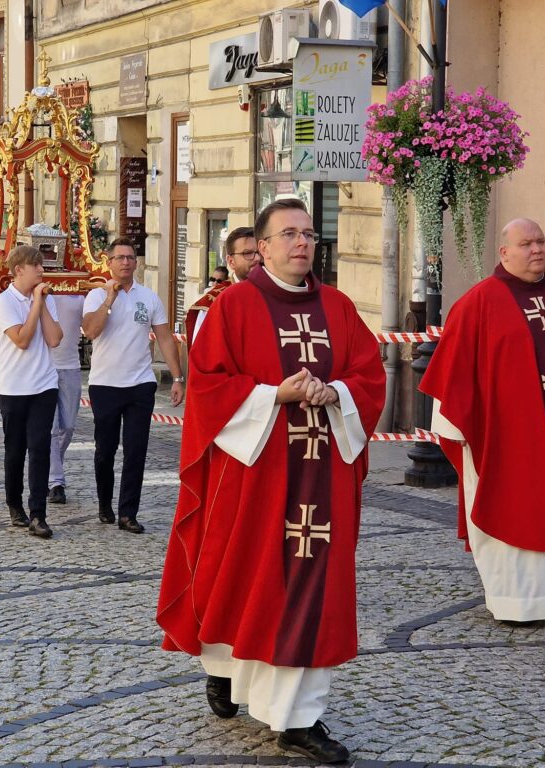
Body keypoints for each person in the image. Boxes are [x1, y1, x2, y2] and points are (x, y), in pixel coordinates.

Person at [156, 199, 384, 764]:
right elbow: (209, 385)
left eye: (309, 233)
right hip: (256, 476)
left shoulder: (338, 306)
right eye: (289, 234)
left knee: (311, 588)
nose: (303, 243)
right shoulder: (234, 306)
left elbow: (368, 372)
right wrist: (272, 395)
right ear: (262, 247)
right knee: (243, 577)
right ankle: (227, 669)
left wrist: (339, 393)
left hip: (322, 476)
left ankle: (298, 719)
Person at [420, 218, 545, 624]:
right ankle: (514, 600)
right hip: (502, 437)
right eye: (526, 243)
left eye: (541, 241)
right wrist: (454, 430)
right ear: (504, 252)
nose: (537, 249)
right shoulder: (478, 304)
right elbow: (453, 371)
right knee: (512, 507)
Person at [82, 237, 185, 534]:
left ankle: (128, 513)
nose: (126, 262)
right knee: (105, 450)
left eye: (130, 257)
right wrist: (109, 299)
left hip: (140, 384)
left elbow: (165, 338)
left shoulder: (149, 297)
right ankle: (104, 502)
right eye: (120, 257)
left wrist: (178, 378)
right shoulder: (96, 295)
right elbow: (90, 331)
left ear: (136, 262)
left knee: (136, 450)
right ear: (110, 262)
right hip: (105, 384)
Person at [0, 245, 62, 538]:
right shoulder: (3, 302)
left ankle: (38, 514)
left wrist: (42, 304)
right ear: (20, 270)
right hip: (13, 386)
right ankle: (14, 504)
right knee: (15, 449)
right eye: (37, 267)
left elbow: (55, 338)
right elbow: (21, 339)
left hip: (44, 383)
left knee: (40, 448)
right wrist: (34, 304)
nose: (42, 271)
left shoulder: (45, 299)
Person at [186, 227, 260, 347]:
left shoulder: (277, 293)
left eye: (260, 252)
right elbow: (203, 354)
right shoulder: (213, 302)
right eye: (248, 253)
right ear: (231, 261)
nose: (257, 258)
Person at [47, 291, 85, 505]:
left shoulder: (79, 292)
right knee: (51, 430)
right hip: (45, 365)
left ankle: (51, 467)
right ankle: (56, 482)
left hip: (71, 365)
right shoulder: (39, 290)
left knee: (68, 427)